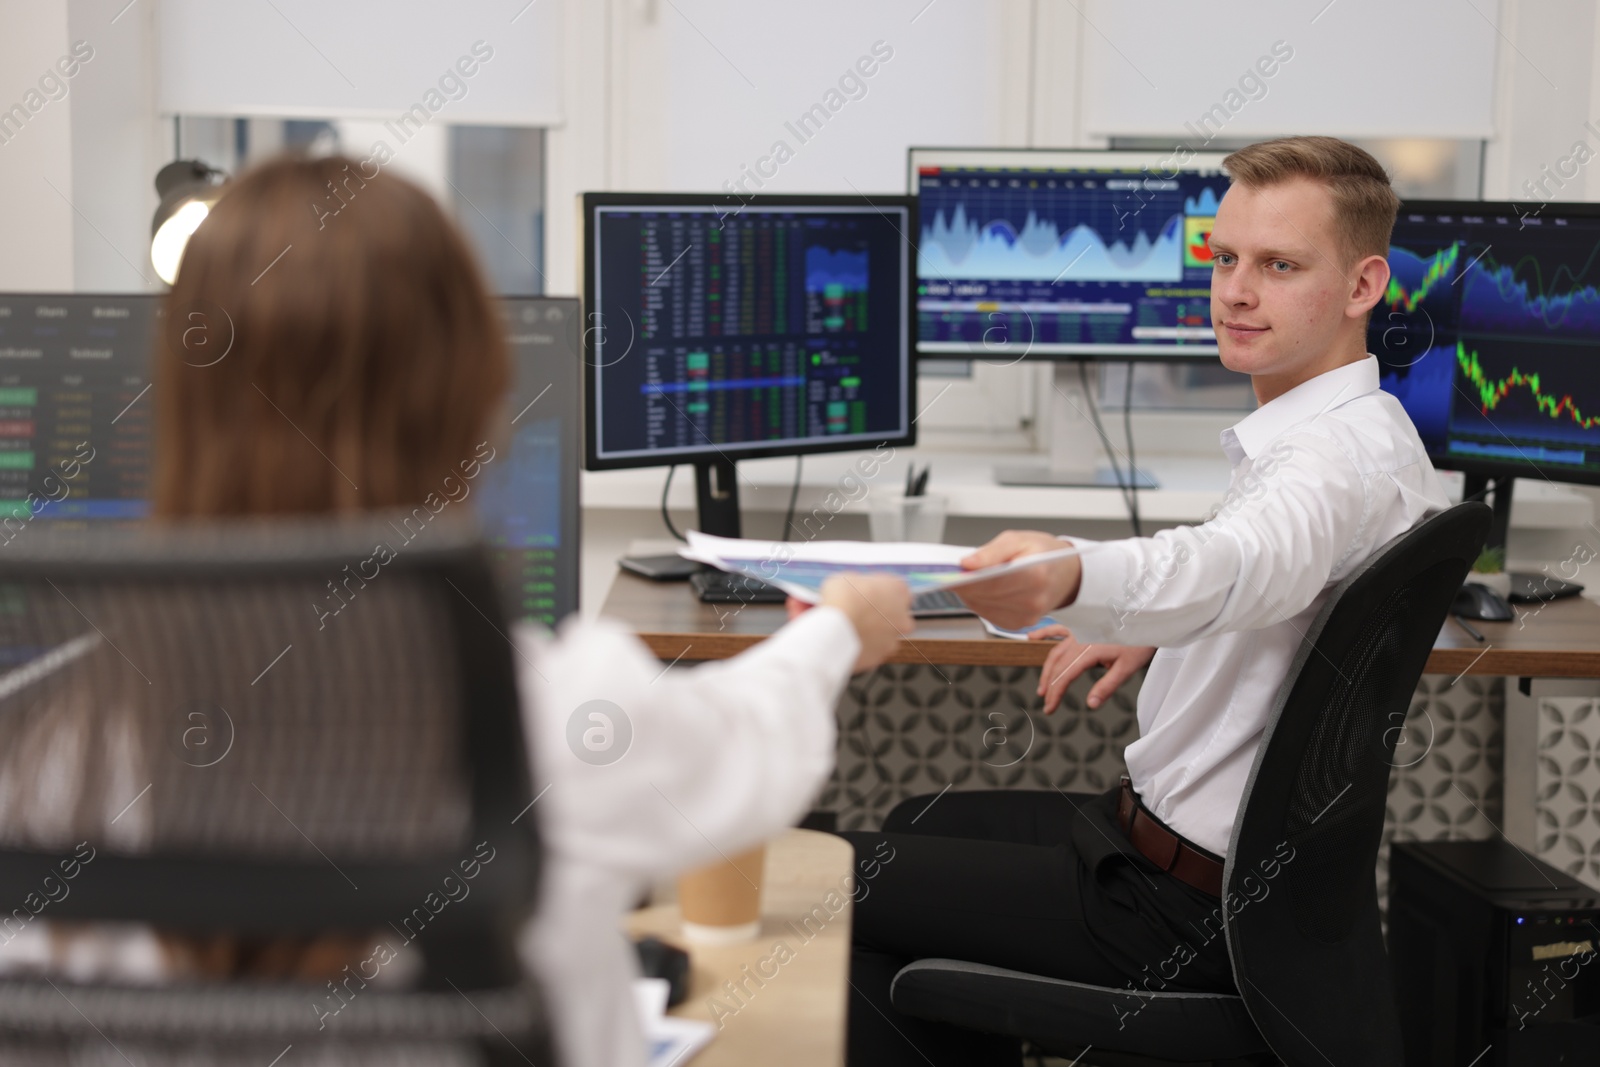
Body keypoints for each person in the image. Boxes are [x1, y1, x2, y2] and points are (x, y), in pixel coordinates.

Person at [0, 155, 913, 1067]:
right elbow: (749, 741)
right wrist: (836, 626)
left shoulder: (50, 760)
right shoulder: (556, 718)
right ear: (472, 411)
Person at [838, 136, 1451, 1064]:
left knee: (820, 886)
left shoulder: (1326, 463)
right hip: (1216, 881)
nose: (1236, 291)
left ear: (1364, 286)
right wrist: (1174, 640)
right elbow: (1280, 591)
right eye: (1224, 259)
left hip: (1172, 911)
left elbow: (1242, 561)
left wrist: (1072, 575)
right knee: (917, 820)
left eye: (1279, 266)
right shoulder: (1362, 429)